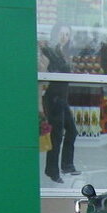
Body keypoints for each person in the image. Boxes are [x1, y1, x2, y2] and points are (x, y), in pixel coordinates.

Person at [40, 23, 78, 184]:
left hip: (62, 99)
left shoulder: (63, 53)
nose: (64, 37)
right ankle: (52, 170)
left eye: (67, 34)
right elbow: (46, 72)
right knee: (56, 136)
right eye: (61, 33)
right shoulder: (49, 51)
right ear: (55, 34)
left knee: (72, 131)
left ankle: (67, 165)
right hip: (53, 98)